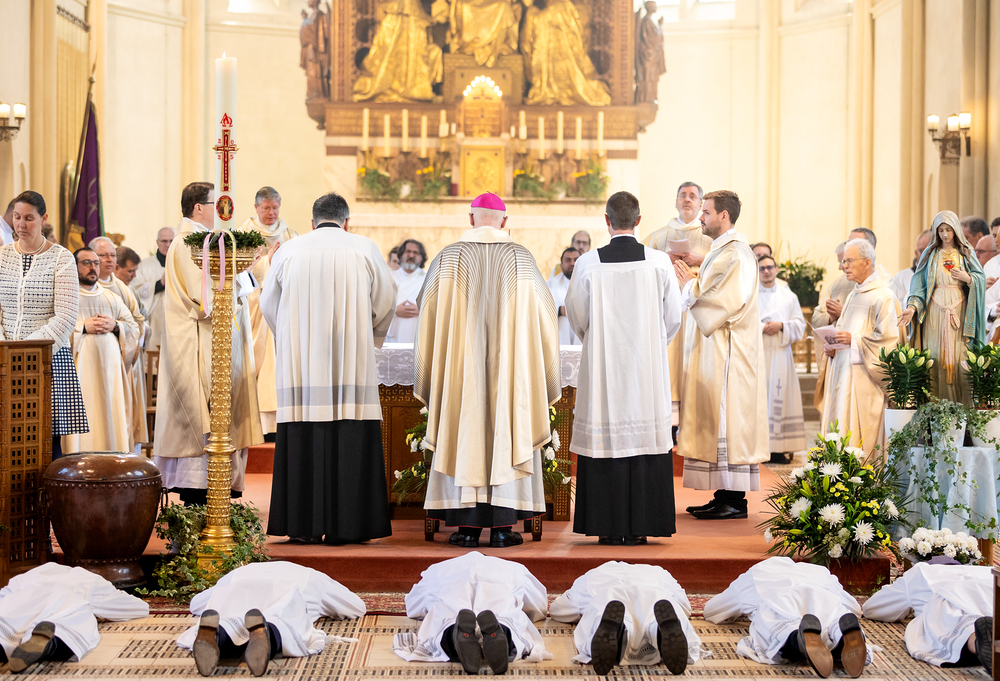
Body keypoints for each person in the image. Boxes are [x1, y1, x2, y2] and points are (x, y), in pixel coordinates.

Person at [415, 193, 560, 549]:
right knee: (508, 428)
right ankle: (502, 528)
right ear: (505, 222)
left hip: (461, 372)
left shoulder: (448, 258)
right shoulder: (521, 258)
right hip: (510, 373)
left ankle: (466, 528)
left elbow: (426, 309)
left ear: (470, 219)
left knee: (463, 427)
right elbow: (546, 313)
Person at [261, 192, 395, 545]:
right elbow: (385, 301)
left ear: (312, 221)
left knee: (304, 435)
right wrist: (368, 336)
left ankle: (303, 527)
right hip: (351, 364)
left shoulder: (289, 250)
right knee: (350, 432)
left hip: (302, 368)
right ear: (347, 221)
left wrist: (291, 338)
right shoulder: (363, 248)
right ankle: (348, 527)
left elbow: (268, 304)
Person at [566, 191, 681, 545]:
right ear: (639, 220)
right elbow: (673, 318)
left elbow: (577, 317)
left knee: (606, 435)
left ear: (607, 221)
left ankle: (608, 527)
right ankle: (641, 528)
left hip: (605, 370)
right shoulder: (659, 262)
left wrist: (598, 341)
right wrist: (652, 345)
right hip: (647, 372)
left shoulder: (588, 264)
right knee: (646, 436)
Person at [153, 182, 263, 505]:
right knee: (203, 419)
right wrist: (241, 269)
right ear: (198, 207)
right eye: (217, 204)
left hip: (213, 342)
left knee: (218, 416)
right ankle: (199, 502)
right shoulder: (188, 242)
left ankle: (216, 500)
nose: (224, 212)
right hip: (198, 344)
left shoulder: (206, 240)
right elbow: (207, 299)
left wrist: (242, 268)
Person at [673, 190, 768, 520]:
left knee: (727, 419)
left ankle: (734, 500)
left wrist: (689, 284)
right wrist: (695, 279)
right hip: (717, 349)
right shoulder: (723, 251)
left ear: (724, 216)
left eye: (706, 212)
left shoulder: (736, 253)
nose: (700, 217)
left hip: (730, 353)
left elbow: (724, 302)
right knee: (717, 420)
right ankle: (722, 494)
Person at [0, 191, 87, 458]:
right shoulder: (2, 256)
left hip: (46, 361)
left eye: (28, 218)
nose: (21, 224)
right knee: (7, 439)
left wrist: (26, 350)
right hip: (4, 359)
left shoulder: (61, 257)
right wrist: (5, 348)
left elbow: (66, 317)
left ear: (43, 219)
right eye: (17, 217)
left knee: (46, 443)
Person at [176, 561, 366, 677]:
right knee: (286, 622)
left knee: (228, 617)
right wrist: (326, 609)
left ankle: (218, 633)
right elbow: (357, 606)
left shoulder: (241, 571)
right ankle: (267, 633)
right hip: (286, 593)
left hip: (239, 587)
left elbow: (196, 604)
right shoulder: (313, 576)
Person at [704, 557, 871, 678]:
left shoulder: (754, 575)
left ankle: (796, 639)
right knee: (835, 614)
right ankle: (840, 634)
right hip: (823, 597)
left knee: (774, 622)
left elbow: (712, 610)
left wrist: (737, 612)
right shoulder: (821, 573)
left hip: (779, 598)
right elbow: (855, 609)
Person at [392, 552, 550, 674]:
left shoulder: (438, 569)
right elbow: (539, 605)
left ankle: (453, 635)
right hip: (499, 597)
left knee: (445, 620)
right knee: (508, 618)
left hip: (454, 600)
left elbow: (413, 605)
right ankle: (502, 632)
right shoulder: (514, 568)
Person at [549, 562, 705, 675]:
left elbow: (560, 611)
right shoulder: (660, 572)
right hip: (654, 596)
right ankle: (656, 630)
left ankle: (620, 633)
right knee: (672, 610)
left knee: (596, 617)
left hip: (608, 596)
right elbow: (685, 607)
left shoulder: (591, 575)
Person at [819, 239, 899, 456]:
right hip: (843, 373)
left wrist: (854, 340)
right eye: (844, 261)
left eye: (849, 261)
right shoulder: (854, 294)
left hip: (865, 379)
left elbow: (890, 340)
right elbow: (843, 330)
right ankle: (838, 468)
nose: (844, 265)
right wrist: (833, 347)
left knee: (859, 432)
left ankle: (863, 472)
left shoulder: (884, 296)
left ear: (867, 262)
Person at [899, 211, 986, 406]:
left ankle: (962, 410)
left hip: (959, 312)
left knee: (959, 357)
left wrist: (968, 278)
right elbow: (919, 286)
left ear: (955, 230)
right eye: (941, 230)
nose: (945, 234)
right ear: (936, 232)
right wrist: (912, 307)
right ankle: (935, 409)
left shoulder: (966, 253)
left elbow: (980, 278)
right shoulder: (930, 255)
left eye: (948, 230)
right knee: (935, 357)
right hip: (934, 313)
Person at [643, 182, 710, 428]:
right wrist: (664, 259)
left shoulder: (710, 236)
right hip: (667, 311)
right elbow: (640, 267)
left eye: (693, 196)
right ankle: (669, 426)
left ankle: (695, 422)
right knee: (669, 363)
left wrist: (701, 259)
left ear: (700, 204)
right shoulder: (658, 237)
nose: (687, 200)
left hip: (700, 313)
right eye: (683, 195)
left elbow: (726, 268)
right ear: (676, 202)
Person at [0, 562, 148, 673]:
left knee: (6, 626)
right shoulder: (90, 580)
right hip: (61, 604)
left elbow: (4, 593)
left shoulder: (37, 571)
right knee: (81, 619)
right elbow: (137, 608)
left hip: (19, 604)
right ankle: (51, 644)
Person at [64, 248, 140, 454]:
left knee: (110, 413)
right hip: (79, 372)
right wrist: (82, 327)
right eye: (86, 263)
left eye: (96, 263)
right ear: (74, 266)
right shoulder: (67, 297)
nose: (93, 267)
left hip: (110, 373)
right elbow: (55, 330)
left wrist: (115, 326)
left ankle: (114, 459)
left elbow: (133, 327)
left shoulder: (111, 297)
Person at [863, 560, 992, 673]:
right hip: (991, 593)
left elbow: (872, 608)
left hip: (954, 597)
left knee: (947, 616)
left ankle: (978, 642)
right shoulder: (986, 570)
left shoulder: (919, 574)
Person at [242, 187, 299, 440]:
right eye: (266, 208)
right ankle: (259, 423)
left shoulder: (291, 235)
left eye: (275, 207)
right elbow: (241, 274)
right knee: (263, 362)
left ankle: (282, 421)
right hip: (255, 309)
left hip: (283, 309)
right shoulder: (244, 235)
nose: (271, 212)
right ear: (256, 208)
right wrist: (268, 262)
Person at [91, 236, 149, 451]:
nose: (109, 260)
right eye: (103, 255)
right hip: (92, 360)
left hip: (125, 361)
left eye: (112, 255)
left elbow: (139, 321)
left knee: (124, 410)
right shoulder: (83, 286)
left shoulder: (124, 289)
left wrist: (117, 327)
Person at [757, 254, 807, 463]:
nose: (767, 271)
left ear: (777, 270)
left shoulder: (789, 297)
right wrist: (762, 327)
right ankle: (758, 448)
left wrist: (781, 326)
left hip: (780, 356)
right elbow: (741, 322)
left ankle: (778, 449)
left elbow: (800, 325)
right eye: (762, 268)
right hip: (757, 355)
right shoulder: (749, 295)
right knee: (759, 400)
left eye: (770, 267)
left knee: (780, 398)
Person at [130, 226, 175, 352]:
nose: (168, 245)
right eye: (164, 241)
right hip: (154, 317)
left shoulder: (182, 264)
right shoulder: (144, 265)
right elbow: (135, 289)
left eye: (171, 241)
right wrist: (159, 284)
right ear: (157, 242)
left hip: (176, 316)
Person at [385, 239, 427, 344]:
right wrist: (393, 310)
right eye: (408, 251)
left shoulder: (429, 279)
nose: (411, 255)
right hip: (392, 338)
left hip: (418, 337)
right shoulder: (388, 278)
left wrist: (423, 310)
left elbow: (438, 308)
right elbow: (376, 307)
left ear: (422, 257)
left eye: (416, 252)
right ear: (400, 255)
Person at [546, 247, 581, 346]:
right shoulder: (550, 285)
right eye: (568, 260)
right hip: (559, 340)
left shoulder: (590, 284)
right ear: (561, 265)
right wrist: (559, 310)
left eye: (576, 260)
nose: (572, 263)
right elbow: (540, 309)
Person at [889, 230, 933, 303]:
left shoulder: (942, 276)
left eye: (928, 250)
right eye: (921, 251)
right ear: (916, 253)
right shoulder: (901, 278)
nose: (924, 255)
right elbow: (896, 306)